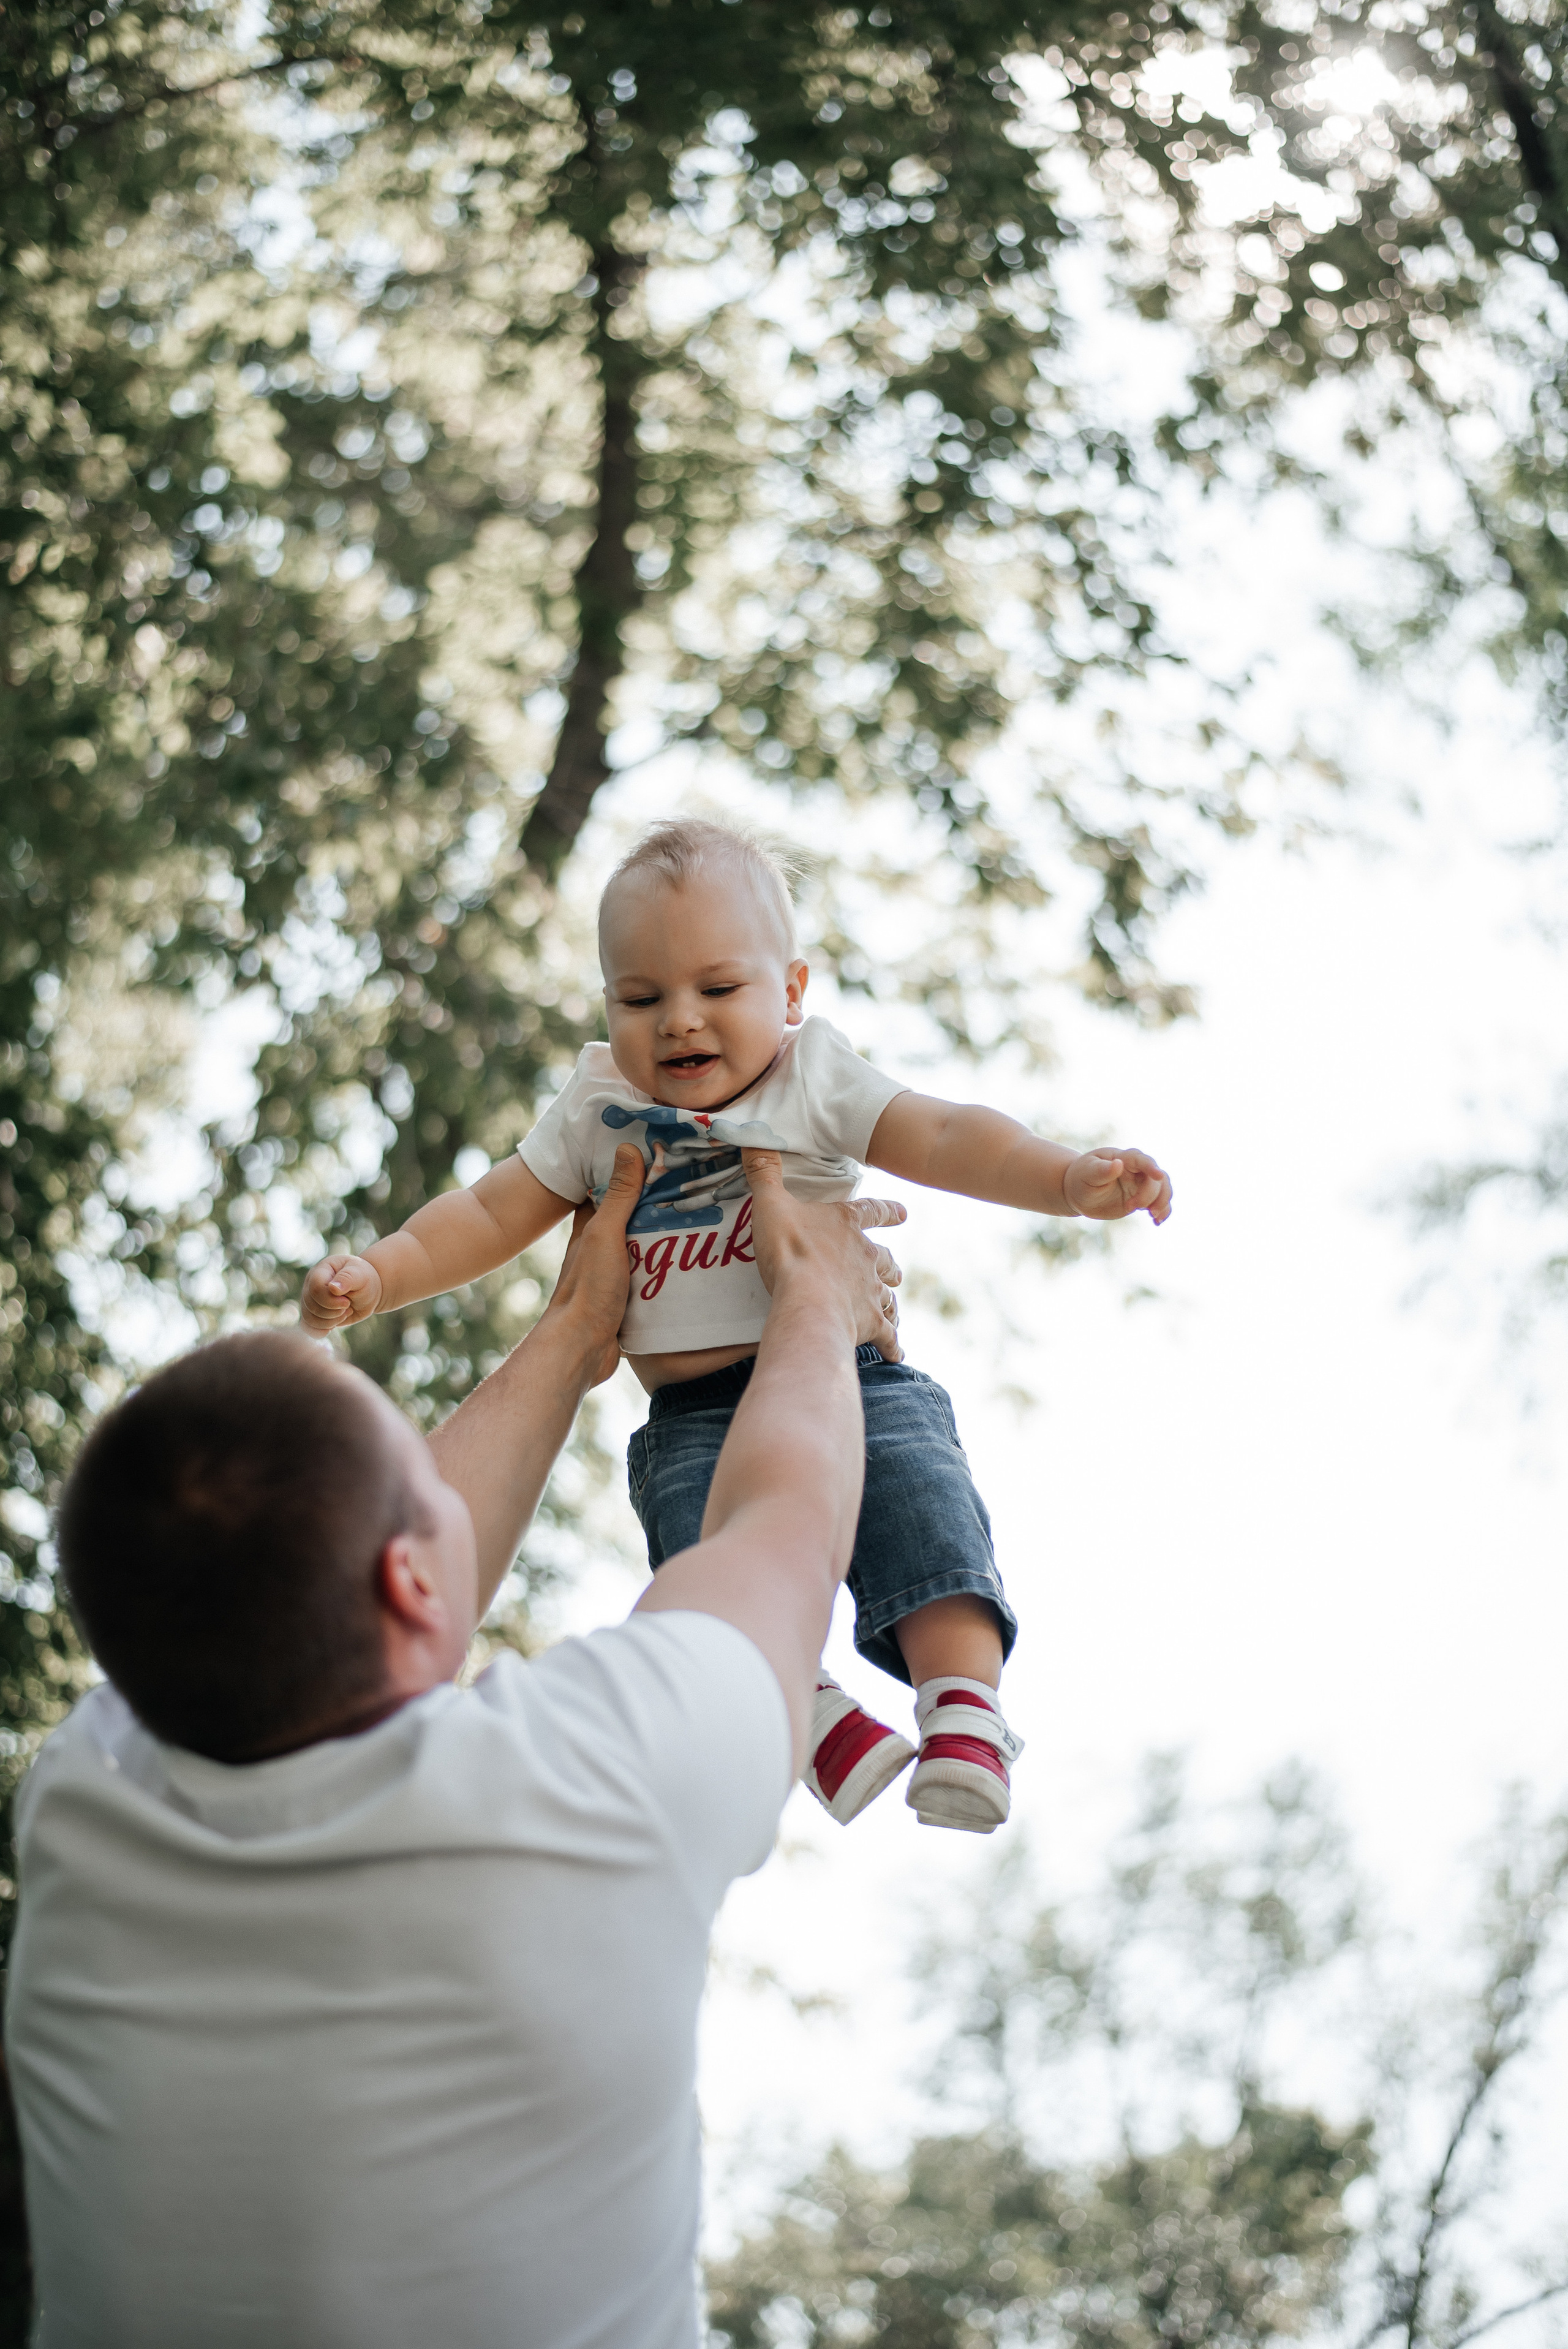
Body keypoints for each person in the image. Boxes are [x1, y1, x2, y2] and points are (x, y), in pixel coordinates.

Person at [7, 1149, 905, 2349]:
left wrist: (582, 1327)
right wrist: (816, 1297)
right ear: (411, 1574)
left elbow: (330, 1582)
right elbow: (783, 1519)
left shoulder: (83, 1801)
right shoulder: (592, 1784)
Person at [303, 819, 1172, 1835]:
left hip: (847, 1377)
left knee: (920, 1507)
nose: (679, 1023)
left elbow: (940, 1133)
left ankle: (964, 1709)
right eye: (641, 998)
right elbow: (493, 1210)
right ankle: (813, 1724)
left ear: (792, 993)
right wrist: (381, 1270)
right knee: (705, 1565)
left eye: (718, 991)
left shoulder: (815, 1077)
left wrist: (1067, 1179)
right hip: (692, 1414)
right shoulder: (600, 1104)